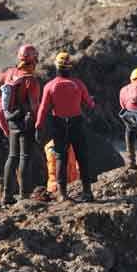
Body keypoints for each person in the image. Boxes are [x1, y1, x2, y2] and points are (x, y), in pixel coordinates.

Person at [35, 52, 95, 202]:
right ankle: (87, 192)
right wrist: (91, 103)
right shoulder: (78, 84)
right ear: (70, 67)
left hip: (59, 124)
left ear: (57, 67)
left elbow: (43, 108)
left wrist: (38, 126)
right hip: (76, 123)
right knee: (82, 157)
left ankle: (62, 194)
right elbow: (90, 104)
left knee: (61, 157)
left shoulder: (50, 86)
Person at [0, 45, 42, 205]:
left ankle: (6, 195)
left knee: (12, 156)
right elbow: (34, 106)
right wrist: (37, 121)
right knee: (25, 157)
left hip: (11, 119)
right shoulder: (30, 80)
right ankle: (24, 195)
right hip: (25, 121)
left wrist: (4, 104)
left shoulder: (10, 72)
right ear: (33, 60)